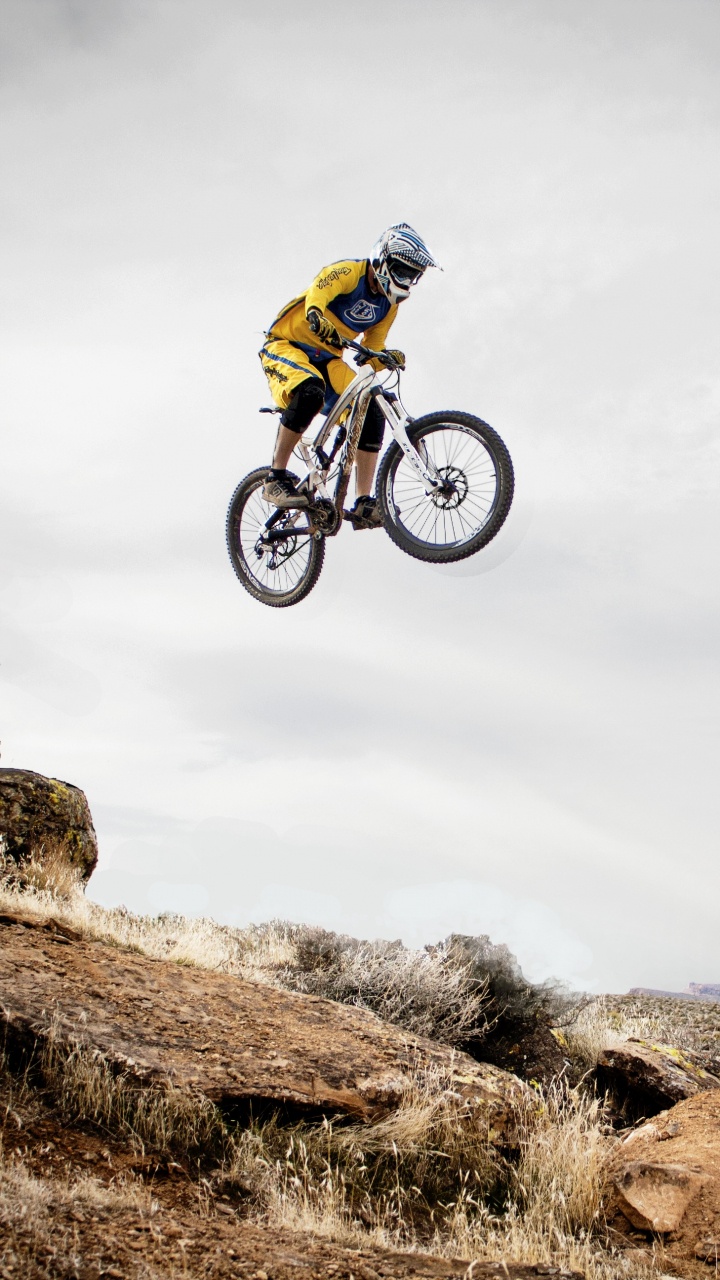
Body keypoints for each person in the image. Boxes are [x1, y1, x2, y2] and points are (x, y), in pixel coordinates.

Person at [259, 223, 440, 528]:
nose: (406, 280)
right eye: (402, 271)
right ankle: (274, 478)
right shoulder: (349, 273)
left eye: (412, 276)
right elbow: (319, 289)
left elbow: (369, 352)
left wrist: (386, 357)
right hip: (287, 345)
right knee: (310, 391)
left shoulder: (388, 306)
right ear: (383, 260)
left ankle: (364, 501)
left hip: (328, 359)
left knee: (371, 405)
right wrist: (316, 315)